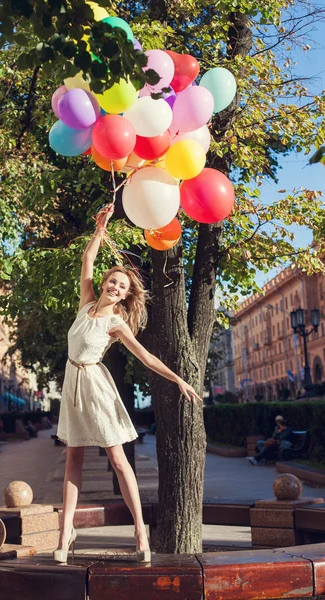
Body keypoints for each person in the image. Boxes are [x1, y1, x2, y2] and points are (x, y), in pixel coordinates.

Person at [54, 204, 201, 564]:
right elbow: (86, 263)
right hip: (72, 385)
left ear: (124, 294)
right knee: (73, 457)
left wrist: (179, 378)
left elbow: (147, 359)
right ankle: (65, 534)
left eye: (123, 287)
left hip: (95, 387)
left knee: (118, 460)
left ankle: (139, 531)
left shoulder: (116, 324)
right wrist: (100, 229)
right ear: (105, 283)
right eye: (114, 282)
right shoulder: (85, 304)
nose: (117, 288)